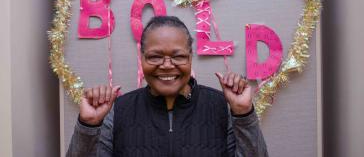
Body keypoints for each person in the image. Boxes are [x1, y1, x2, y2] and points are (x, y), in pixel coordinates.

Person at [67, 16, 268, 157]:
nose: (166, 65)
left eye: (178, 56)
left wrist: (243, 113)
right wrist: (88, 125)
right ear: (142, 59)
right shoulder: (117, 110)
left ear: (190, 58)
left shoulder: (222, 106)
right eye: (155, 56)